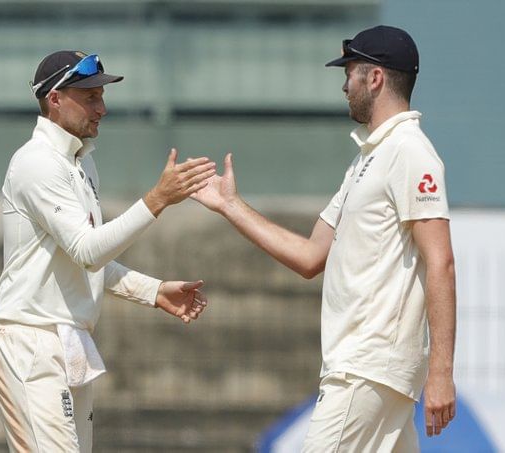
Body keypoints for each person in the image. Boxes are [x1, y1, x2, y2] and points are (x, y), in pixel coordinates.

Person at [192, 26, 456, 452]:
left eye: (350, 72)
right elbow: (311, 256)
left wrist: (441, 371)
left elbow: (440, 260)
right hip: (366, 369)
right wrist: (230, 206)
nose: (343, 84)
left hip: (368, 367)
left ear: (375, 78)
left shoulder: (410, 152)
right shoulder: (366, 160)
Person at [0, 50, 215, 453]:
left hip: (69, 339)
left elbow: (83, 260)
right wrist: (157, 199)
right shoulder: (37, 163)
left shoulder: (82, 164)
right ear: (55, 99)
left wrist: (154, 290)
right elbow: (88, 251)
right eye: (90, 96)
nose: (102, 108)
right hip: (30, 340)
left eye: (101, 97)